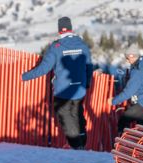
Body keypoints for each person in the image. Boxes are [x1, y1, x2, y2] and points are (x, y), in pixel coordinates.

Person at [22, 16, 93, 150]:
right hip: (80, 89)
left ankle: (76, 146)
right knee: (77, 113)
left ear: (60, 30)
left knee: (65, 117)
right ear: (71, 29)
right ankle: (82, 141)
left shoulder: (56, 47)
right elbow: (89, 67)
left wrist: (25, 76)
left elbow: (44, 69)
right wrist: (87, 83)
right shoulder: (82, 45)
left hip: (63, 90)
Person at [107, 44, 143, 136]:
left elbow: (128, 92)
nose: (127, 60)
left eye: (127, 57)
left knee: (123, 120)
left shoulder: (137, 71)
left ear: (132, 56)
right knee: (142, 129)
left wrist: (113, 101)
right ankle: (141, 147)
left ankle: (122, 144)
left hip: (142, 103)